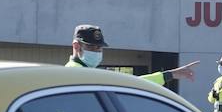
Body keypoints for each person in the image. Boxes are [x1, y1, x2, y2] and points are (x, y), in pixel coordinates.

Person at [65, 25, 198, 90]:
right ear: (76, 46)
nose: (97, 52)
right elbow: (129, 84)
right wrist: (169, 75)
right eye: (92, 48)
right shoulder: (77, 73)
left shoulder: (84, 71)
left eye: (99, 48)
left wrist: (169, 75)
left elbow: (129, 82)